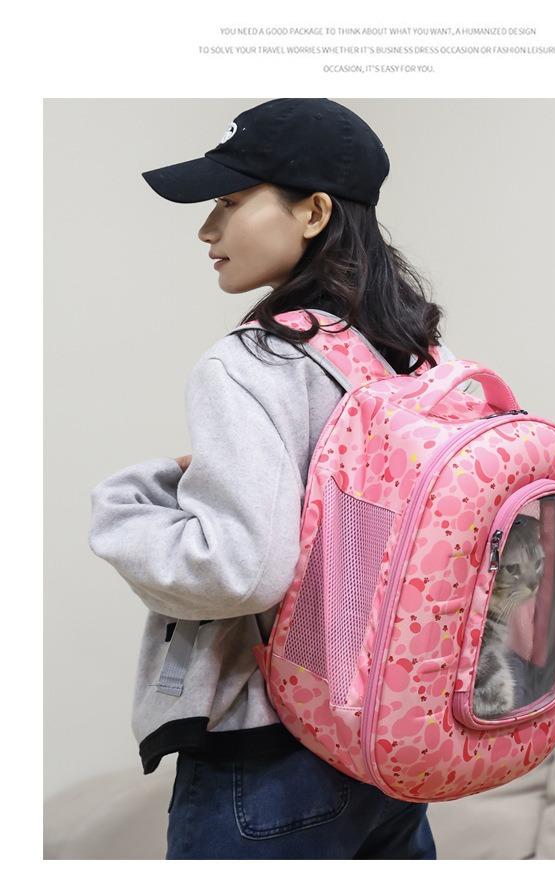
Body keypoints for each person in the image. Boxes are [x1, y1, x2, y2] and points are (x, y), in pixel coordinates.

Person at [89, 98, 456, 860]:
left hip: (265, 758)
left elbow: (243, 570)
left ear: (314, 212)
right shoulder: (413, 356)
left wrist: (127, 508)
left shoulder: (251, 363)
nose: (207, 230)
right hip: (388, 745)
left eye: (228, 202)